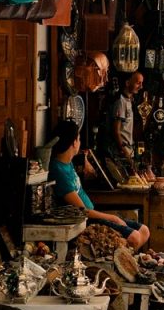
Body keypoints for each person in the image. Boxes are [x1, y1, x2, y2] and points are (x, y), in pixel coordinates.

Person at [49, 121, 151, 250]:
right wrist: (112, 217)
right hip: (86, 220)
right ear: (74, 142)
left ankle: (124, 260)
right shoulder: (58, 170)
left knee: (144, 230)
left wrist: (86, 160)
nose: (79, 143)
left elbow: (90, 170)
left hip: (93, 214)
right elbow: (82, 211)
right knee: (134, 238)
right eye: (79, 139)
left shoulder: (68, 162)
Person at [104, 72, 144, 163]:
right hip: (120, 155)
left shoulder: (129, 101)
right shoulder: (120, 102)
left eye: (141, 83)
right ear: (127, 83)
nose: (141, 87)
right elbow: (116, 131)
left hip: (129, 151)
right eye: (138, 83)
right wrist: (125, 152)